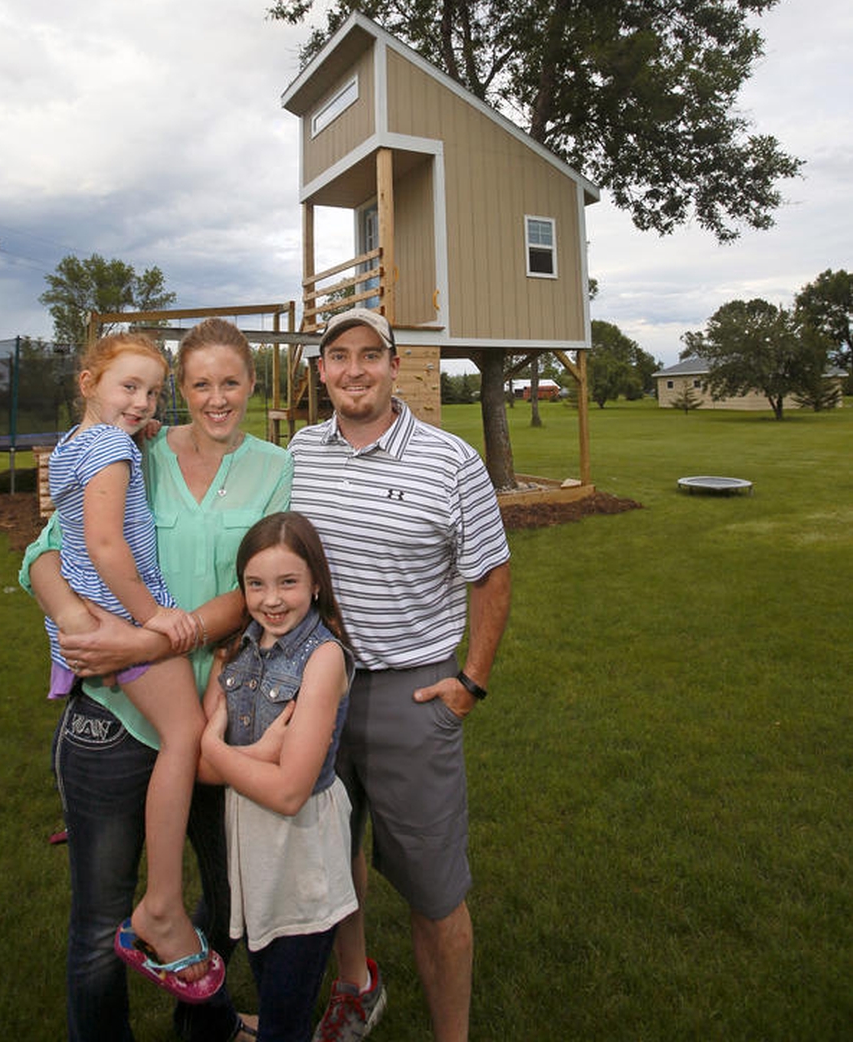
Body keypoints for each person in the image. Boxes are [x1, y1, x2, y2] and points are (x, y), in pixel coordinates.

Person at [21, 317, 293, 1042]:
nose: (215, 398)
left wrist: (145, 637)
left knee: (231, 890)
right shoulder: (138, 451)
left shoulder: (275, 467)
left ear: (251, 384)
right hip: (116, 713)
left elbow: (262, 586)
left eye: (230, 382)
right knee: (98, 922)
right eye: (199, 383)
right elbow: (47, 550)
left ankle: (200, 1023)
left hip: (220, 708)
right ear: (183, 389)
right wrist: (80, 633)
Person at [287, 309, 512, 1042]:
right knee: (330, 850)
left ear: (394, 365)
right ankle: (356, 986)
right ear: (321, 371)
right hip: (317, 689)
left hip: (413, 695)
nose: (354, 369)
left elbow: (492, 575)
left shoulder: (450, 461)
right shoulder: (300, 452)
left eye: (370, 355)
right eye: (339, 356)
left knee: (433, 887)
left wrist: (469, 682)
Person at [42, 330, 219, 999]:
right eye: (129, 387)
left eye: (152, 392)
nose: (142, 403)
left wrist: (132, 430)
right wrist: (154, 619)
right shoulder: (113, 446)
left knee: (179, 736)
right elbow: (110, 546)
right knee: (184, 737)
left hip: (91, 611)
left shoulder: (75, 444)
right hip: (121, 611)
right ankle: (163, 906)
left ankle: (163, 905)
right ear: (88, 382)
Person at [198, 511, 357, 1042]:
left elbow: (290, 792)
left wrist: (213, 746)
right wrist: (257, 752)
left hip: (302, 855)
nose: (272, 600)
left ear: (316, 583)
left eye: (288, 582)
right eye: (256, 584)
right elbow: (201, 768)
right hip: (251, 847)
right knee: (268, 982)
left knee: (287, 1010)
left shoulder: (324, 658)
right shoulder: (236, 648)